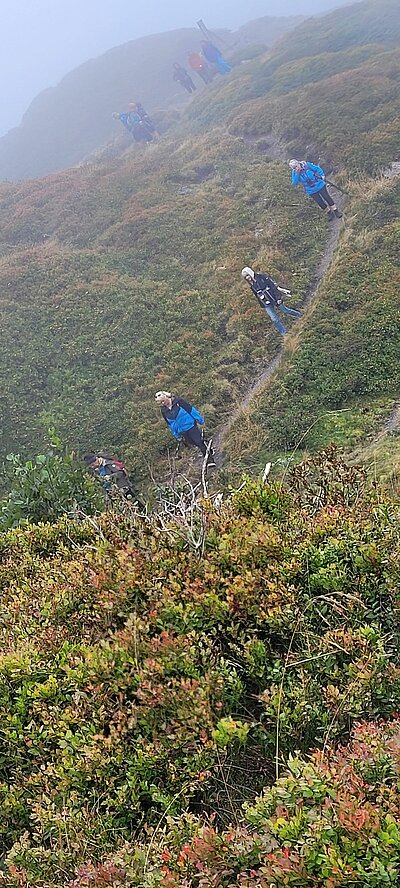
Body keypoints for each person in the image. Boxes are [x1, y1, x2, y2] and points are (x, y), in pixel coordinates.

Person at [155, 391, 215, 464]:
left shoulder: (178, 402)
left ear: (167, 397)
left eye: (163, 401)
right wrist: (176, 434)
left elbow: (191, 410)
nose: (163, 403)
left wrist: (200, 419)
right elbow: (170, 423)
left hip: (191, 426)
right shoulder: (163, 410)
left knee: (198, 441)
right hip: (182, 431)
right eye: (161, 403)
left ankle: (210, 461)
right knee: (192, 442)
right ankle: (208, 449)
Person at [241, 267, 302, 336]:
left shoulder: (261, 276)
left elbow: (272, 286)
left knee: (285, 310)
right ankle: (284, 333)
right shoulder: (251, 285)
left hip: (273, 297)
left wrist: (278, 298)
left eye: (247, 275)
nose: (247, 277)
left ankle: (299, 315)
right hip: (266, 303)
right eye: (245, 277)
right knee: (274, 318)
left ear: (250, 273)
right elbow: (257, 295)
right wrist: (262, 304)